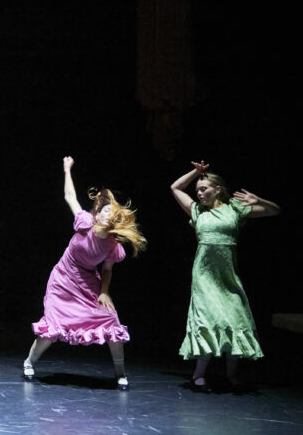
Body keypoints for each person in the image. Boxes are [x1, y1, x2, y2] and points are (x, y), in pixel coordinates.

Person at [23, 157, 147, 391]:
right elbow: (70, 197)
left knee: (111, 321)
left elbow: (107, 270)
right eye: (103, 210)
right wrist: (66, 169)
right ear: (97, 215)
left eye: (110, 212)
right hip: (62, 279)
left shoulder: (112, 246)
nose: (104, 213)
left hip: (88, 282)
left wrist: (104, 292)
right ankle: (29, 362)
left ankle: (120, 373)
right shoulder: (84, 222)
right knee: (53, 326)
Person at [170, 161, 280, 389]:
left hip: (228, 277)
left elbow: (275, 210)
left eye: (204, 189)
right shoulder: (197, 211)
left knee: (234, 319)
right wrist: (197, 173)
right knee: (208, 320)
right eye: (198, 190)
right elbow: (175, 188)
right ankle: (199, 375)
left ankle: (231, 374)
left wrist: (259, 200)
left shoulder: (234, 209)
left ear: (217, 189)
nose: (199, 194)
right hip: (205, 276)